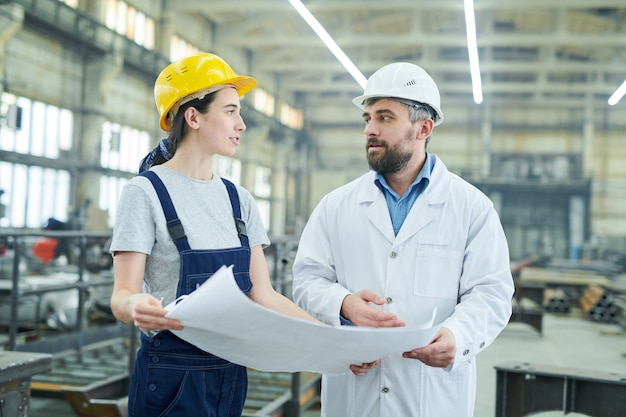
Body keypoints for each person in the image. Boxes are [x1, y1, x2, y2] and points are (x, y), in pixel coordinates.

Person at [292, 62, 514, 417]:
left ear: (424, 127)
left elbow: (492, 292)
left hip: (432, 396)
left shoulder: (471, 208)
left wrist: (457, 337)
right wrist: (344, 305)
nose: (370, 130)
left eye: (385, 118)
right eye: (367, 119)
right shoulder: (336, 206)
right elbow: (306, 280)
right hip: (354, 394)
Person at [109, 52, 316, 417]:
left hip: (230, 370)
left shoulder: (240, 200)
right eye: (231, 111)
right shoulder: (144, 193)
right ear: (193, 117)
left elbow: (262, 293)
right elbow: (121, 296)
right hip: (171, 377)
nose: (242, 124)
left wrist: (331, 338)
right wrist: (135, 307)